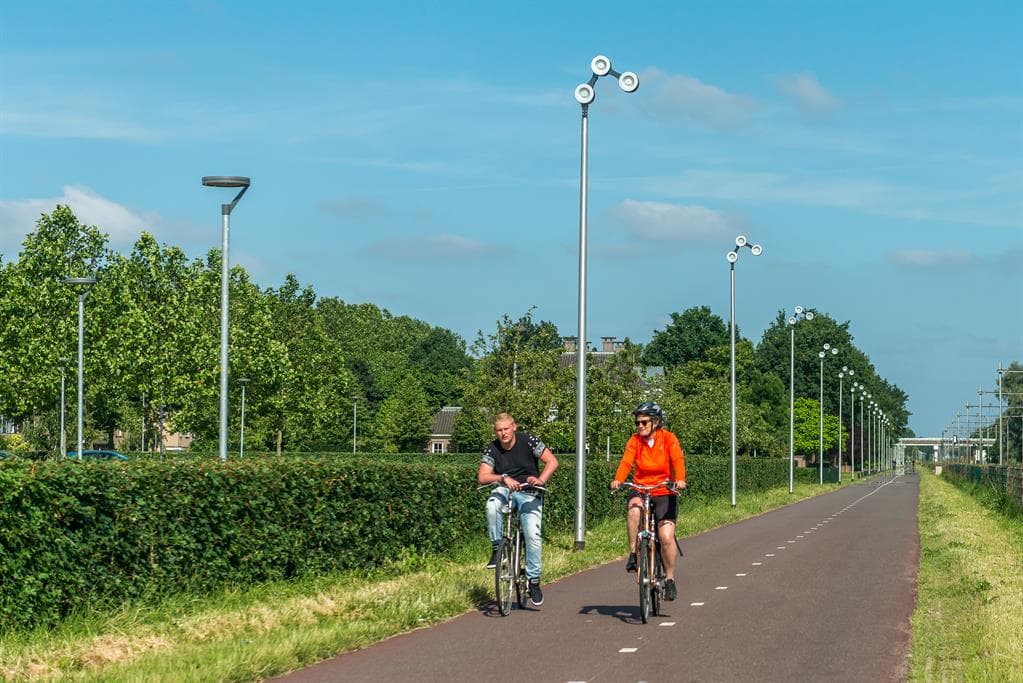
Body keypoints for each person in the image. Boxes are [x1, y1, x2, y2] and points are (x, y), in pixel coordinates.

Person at [478, 412, 558, 607]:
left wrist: (540, 480)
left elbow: (552, 461)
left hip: (529, 492)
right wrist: (502, 478)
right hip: (505, 489)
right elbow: (482, 476)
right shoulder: (492, 449)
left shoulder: (528, 441)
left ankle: (534, 580)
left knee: (532, 533)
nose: (503, 433)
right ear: (495, 432)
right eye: (499, 430)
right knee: (492, 505)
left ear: (514, 427)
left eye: (506, 428)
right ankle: (498, 549)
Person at [610, 401, 686, 601]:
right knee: (633, 510)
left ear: (656, 422)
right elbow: (626, 461)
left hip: (664, 490)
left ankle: (669, 579)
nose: (640, 426)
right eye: (637, 423)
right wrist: (618, 479)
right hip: (641, 488)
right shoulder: (635, 441)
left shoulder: (668, 438)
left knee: (666, 536)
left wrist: (680, 479)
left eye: (644, 422)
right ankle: (634, 553)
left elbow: (677, 460)